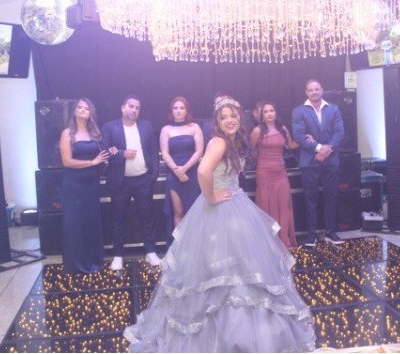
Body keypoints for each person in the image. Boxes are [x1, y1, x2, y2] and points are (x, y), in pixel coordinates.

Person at [124, 97, 316, 352]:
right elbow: (203, 171)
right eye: (224, 117)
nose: (229, 120)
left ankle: (240, 331)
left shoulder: (233, 141)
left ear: (240, 117)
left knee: (241, 268)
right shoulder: (219, 141)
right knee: (219, 270)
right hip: (219, 209)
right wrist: (212, 196)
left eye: (233, 115)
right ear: (217, 121)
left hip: (235, 206)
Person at [101, 95, 161, 270]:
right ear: (123, 107)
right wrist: (121, 153)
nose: (134, 110)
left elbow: (154, 150)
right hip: (120, 182)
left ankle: (151, 252)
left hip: (144, 180)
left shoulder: (146, 126)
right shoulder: (110, 127)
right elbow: (105, 150)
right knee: (118, 219)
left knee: (147, 218)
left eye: (137, 107)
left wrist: (154, 175)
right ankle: (118, 256)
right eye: (131, 106)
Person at [292, 79, 345, 246]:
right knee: (310, 199)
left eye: (317, 89)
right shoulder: (298, 111)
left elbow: (340, 133)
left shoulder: (333, 109)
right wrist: (320, 148)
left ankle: (331, 232)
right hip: (309, 162)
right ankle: (311, 235)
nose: (314, 92)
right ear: (306, 92)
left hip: (331, 161)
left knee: (332, 197)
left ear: (322, 90)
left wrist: (327, 150)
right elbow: (299, 136)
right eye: (311, 90)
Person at [59, 98, 109, 274]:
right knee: (75, 223)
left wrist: (109, 156)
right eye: (79, 107)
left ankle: (93, 261)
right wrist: (92, 162)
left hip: (91, 184)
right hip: (73, 185)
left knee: (90, 221)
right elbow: (67, 162)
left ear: (90, 113)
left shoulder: (95, 134)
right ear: (74, 111)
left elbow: (103, 155)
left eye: (86, 108)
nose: (82, 110)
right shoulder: (67, 133)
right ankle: (77, 265)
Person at [250, 101, 299, 249]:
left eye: (271, 110)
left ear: (276, 113)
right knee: (267, 205)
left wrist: (307, 139)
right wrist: (263, 161)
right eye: (265, 112)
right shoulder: (257, 131)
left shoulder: (282, 129)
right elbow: (252, 151)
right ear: (261, 115)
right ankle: (269, 241)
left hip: (280, 172)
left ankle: (283, 239)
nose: (269, 114)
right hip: (264, 172)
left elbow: (291, 145)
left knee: (283, 205)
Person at [159, 96, 204, 234]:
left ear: (187, 111)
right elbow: (164, 153)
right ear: (171, 111)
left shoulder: (195, 127)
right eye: (175, 108)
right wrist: (176, 170)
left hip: (192, 173)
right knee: (178, 211)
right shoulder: (166, 129)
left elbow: (199, 151)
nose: (178, 110)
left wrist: (184, 169)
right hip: (174, 174)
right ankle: (180, 245)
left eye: (182, 108)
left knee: (194, 211)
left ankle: (194, 243)